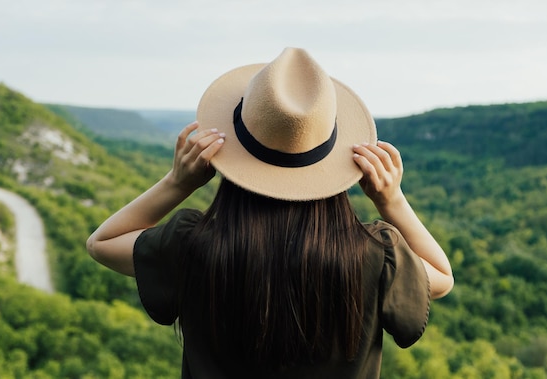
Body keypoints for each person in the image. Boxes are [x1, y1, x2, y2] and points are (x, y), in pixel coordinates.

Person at [87, 47, 453, 379]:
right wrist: (392, 200)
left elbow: (102, 242)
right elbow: (441, 277)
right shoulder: (374, 255)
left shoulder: (192, 245)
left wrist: (178, 182)